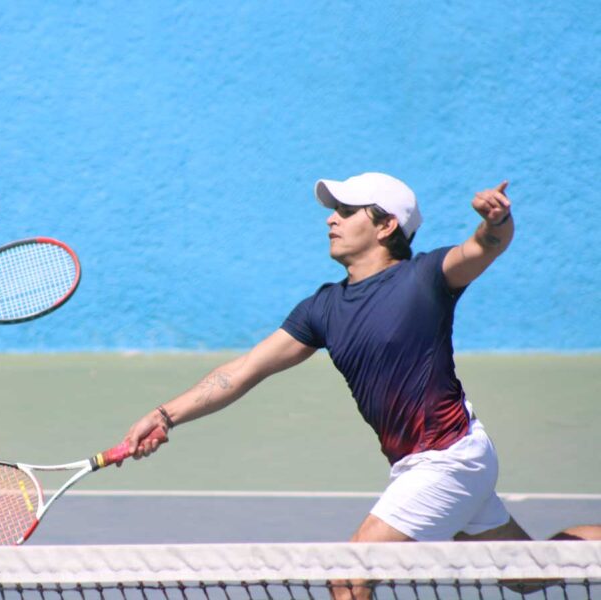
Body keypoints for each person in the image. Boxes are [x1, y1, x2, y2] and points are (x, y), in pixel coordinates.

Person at [121, 173, 600, 597]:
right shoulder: (322, 309)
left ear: (386, 225)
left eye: (347, 211)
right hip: (419, 462)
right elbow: (243, 371)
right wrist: (165, 415)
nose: (333, 220)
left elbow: (482, 248)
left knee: (350, 575)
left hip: (448, 457)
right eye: (333, 211)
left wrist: (495, 223)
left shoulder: (426, 278)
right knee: (526, 572)